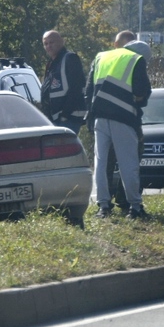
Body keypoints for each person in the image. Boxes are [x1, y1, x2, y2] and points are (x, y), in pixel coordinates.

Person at [85, 30, 152, 219]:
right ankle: (135, 208)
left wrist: (91, 115)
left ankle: (103, 206)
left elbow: (88, 90)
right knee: (128, 163)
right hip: (123, 118)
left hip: (99, 117)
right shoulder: (136, 60)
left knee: (100, 162)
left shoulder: (101, 57)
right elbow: (142, 92)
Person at [40, 30, 86, 133]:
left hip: (69, 118)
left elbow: (76, 88)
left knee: (64, 149)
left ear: (61, 42)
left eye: (51, 42)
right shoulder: (52, 64)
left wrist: (65, 115)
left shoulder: (70, 58)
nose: (48, 46)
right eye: (45, 44)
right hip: (56, 119)